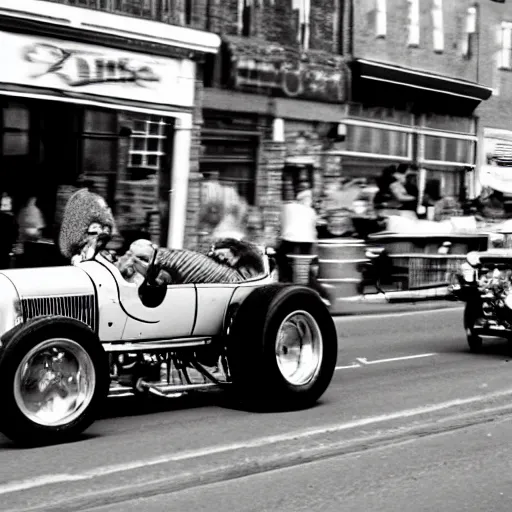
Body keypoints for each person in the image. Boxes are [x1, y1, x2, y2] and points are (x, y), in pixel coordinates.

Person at [277, 185, 331, 305]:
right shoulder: (310, 211)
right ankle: (322, 294)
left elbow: (280, 223)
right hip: (306, 244)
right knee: (305, 271)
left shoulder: (287, 207)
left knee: (284, 266)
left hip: (290, 242)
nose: (310, 201)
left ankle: (288, 292)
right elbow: (314, 228)